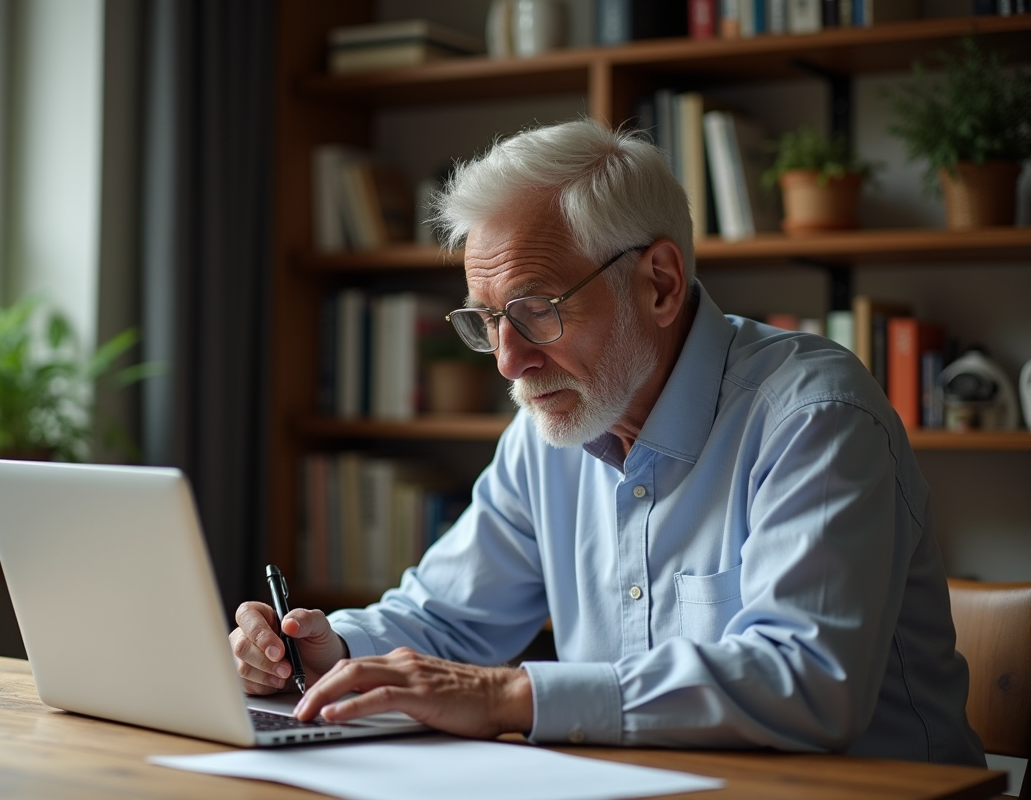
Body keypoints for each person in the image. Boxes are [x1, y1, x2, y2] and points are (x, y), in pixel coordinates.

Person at [231, 118, 985, 764]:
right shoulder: (547, 430)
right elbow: (446, 619)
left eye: (535, 308)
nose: (508, 360)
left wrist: (511, 695)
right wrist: (326, 649)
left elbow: (808, 682)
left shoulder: (815, 417)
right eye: (487, 319)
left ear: (658, 282)